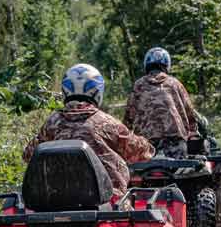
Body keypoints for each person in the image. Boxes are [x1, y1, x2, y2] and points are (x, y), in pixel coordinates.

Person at [24, 63, 153, 197]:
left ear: (65, 90)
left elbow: (28, 155)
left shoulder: (51, 123)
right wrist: (148, 145)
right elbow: (140, 152)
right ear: (97, 91)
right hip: (106, 205)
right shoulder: (108, 123)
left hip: (58, 203)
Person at [123, 47, 198, 158]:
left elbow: (129, 117)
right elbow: (190, 113)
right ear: (167, 65)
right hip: (175, 142)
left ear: (147, 65)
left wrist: (125, 137)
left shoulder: (139, 85)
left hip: (146, 144)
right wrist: (193, 133)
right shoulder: (175, 84)